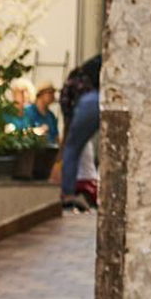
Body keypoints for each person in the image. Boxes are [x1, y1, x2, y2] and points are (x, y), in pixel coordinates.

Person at [60, 55, 101, 211]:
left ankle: (68, 195)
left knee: (72, 149)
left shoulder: (74, 80)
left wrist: (68, 129)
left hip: (89, 102)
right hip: (102, 96)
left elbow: (66, 107)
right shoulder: (96, 65)